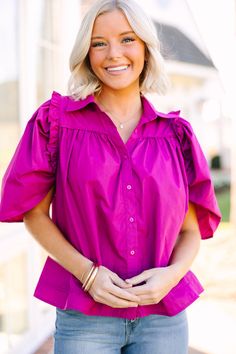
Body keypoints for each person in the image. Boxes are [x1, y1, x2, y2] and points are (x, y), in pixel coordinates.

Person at [0, 0, 221, 353]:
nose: (113, 53)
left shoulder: (176, 135)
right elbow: (35, 215)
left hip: (162, 321)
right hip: (87, 320)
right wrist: (88, 274)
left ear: (146, 48)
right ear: (86, 53)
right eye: (99, 42)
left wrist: (171, 276)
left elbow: (190, 231)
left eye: (127, 39)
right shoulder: (55, 123)